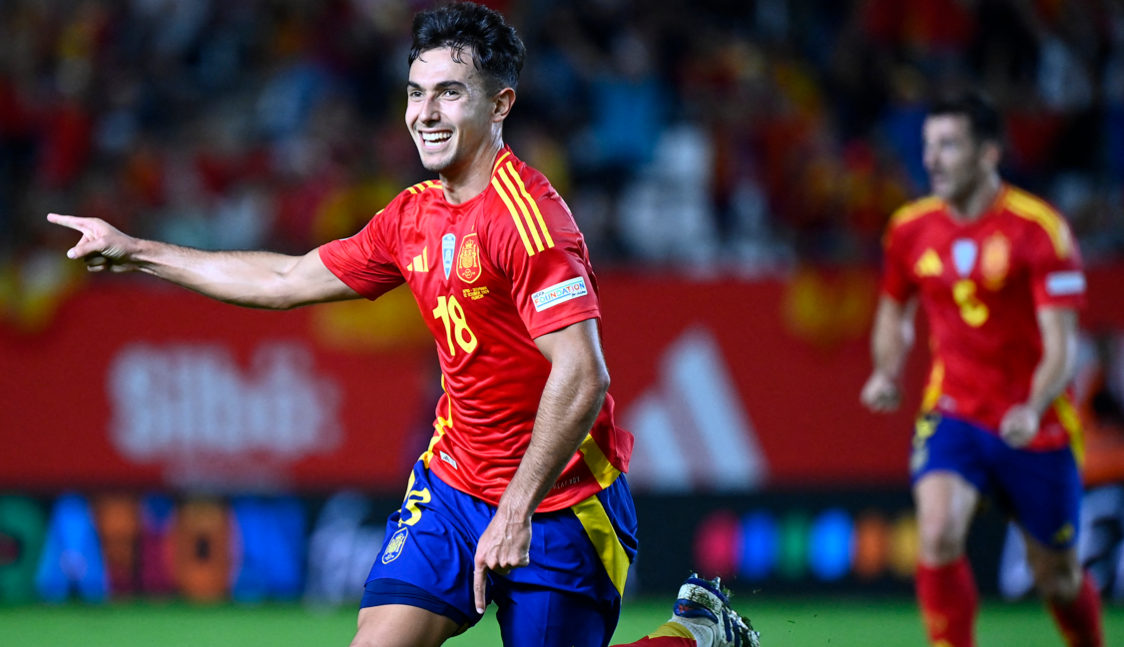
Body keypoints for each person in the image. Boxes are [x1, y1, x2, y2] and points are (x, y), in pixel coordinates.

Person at [49, 3, 757, 647]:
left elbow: (581, 373)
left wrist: (517, 507)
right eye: (416, 92)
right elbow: (284, 280)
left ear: (499, 103)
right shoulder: (411, 215)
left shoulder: (531, 221)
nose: (425, 111)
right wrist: (139, 251)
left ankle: (697, 634)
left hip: (561, 502)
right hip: (454, 488)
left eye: (450, 92)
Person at [860, 91, 1103, 647]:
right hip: (954, 413)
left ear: (988, 154)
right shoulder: (909, 229)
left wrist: (1033, 406)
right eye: (928, 145)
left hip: (1034, 425)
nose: (933, 159)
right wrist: (886, 371)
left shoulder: (1039, 231)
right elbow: (894, 312)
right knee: (938, 531)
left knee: (1057, 578)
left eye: (949, 145)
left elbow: (1061, 345)